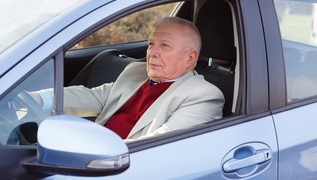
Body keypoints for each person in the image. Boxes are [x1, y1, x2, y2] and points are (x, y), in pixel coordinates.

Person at [34, 16, 224, 141]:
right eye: (151, 44)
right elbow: (94, 97)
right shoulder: (134, 71)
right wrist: (40, 98)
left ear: (190, 58)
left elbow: (160, 146)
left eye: (164, 46)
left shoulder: (203, 96)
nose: (152, 53)